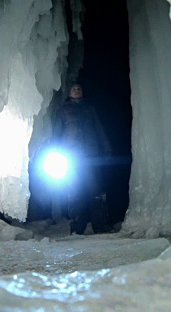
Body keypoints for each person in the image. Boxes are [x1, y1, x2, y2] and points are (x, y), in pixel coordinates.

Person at [52, 83, 111, 235]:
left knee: (95, 191)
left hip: (91, 156)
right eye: (74, 88)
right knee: (75, 192)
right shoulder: (63, 110)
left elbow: (99, 129)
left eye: (79, 88)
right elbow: (57, 133)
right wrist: (55, 151)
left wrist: (106, 146)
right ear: (70, 92)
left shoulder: (89, 109)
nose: (77, 90)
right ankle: (78, 227)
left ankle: (99, 225)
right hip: (72, 157)